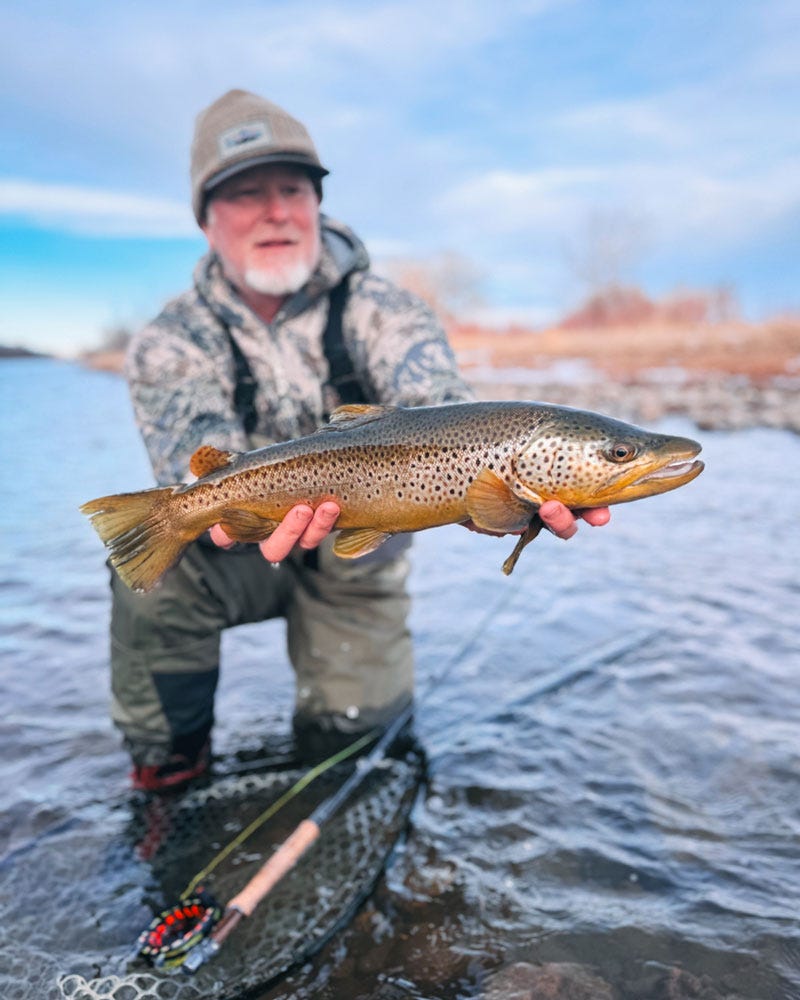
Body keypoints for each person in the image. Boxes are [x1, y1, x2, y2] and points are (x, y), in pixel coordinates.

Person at [111, 88, 610, 792]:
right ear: (206, 219)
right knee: (150, 565)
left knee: (360, 752)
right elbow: (196, 455)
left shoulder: (386, 310)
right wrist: (220, 509)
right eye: (248, 193)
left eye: (293, 189)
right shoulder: (169, 341)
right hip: (236, 554)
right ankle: (169, 770)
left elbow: (447, 413)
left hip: (364, 555)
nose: (277, 210)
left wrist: (500, 498)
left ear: (316, 203)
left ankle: (336, 755)